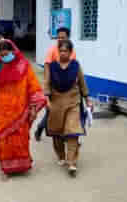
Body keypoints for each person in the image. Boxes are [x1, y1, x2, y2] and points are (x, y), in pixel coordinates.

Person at [0, 40, 47, 175]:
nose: (5, 56)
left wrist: (33, 107)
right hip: (2, 110)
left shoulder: (24, 65)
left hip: (21, 108)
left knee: (20, 138)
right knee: (4, 139)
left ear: (13, 51)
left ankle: (23, 165)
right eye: (1, 53)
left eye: (7, 53)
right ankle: (7, 167)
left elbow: (32, 85)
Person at [44, 40, 92, 177]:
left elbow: (82, 83)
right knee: (57, 133)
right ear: (58, 52)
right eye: (61, 51)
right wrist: (46, 98)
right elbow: (47, 82)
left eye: (66, 51)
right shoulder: (51, 66)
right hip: (56, 102)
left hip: (73, 102)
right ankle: (61, 155)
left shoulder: (76, 66)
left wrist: (88, 99)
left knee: (73, 131)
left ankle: (72, 163)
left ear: (71, 53)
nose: (63, 53)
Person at [35, 27, 76, 141]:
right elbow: (47, 68)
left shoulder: (71, 51)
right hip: (54, 87)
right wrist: (47, 87)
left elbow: (73, 68)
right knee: (51, 111)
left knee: (66, 111)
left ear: (68, 38)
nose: (60, 39)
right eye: (58, 37)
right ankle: (40, 128)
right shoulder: (52, 50)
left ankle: (65, 135)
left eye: (62, 37)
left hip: (67, 87)